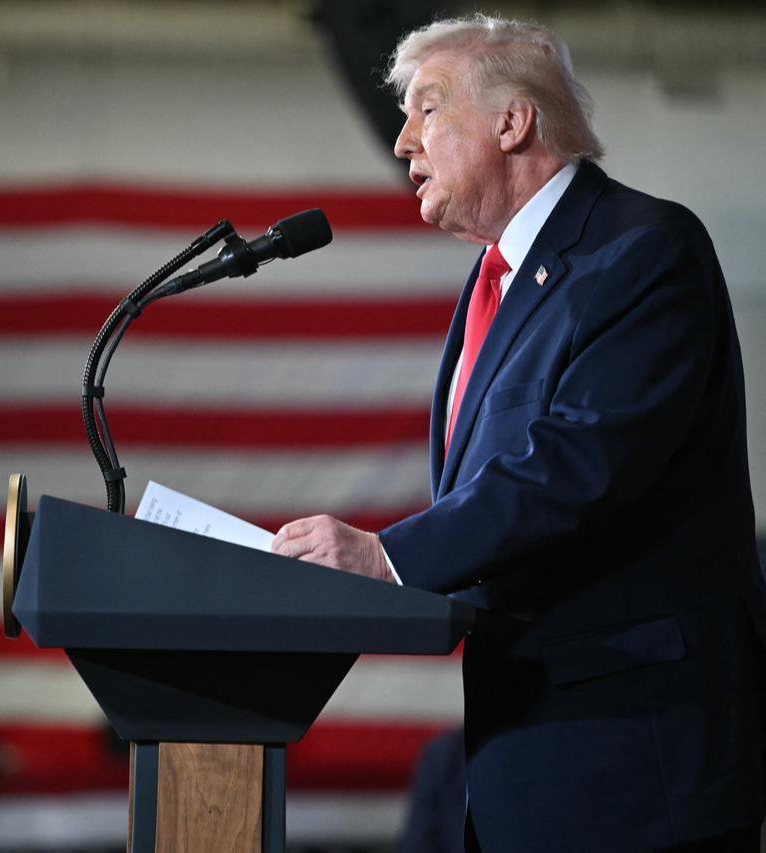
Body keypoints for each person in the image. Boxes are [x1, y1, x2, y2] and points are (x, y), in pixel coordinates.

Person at [270, 14, 766, 852]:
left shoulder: (643, 251)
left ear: (512, 121)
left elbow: (577, 466)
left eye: (428, 110)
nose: (402, 142)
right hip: (528, 763)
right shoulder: (494, 282)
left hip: (639, 764)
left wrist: (389, 556)